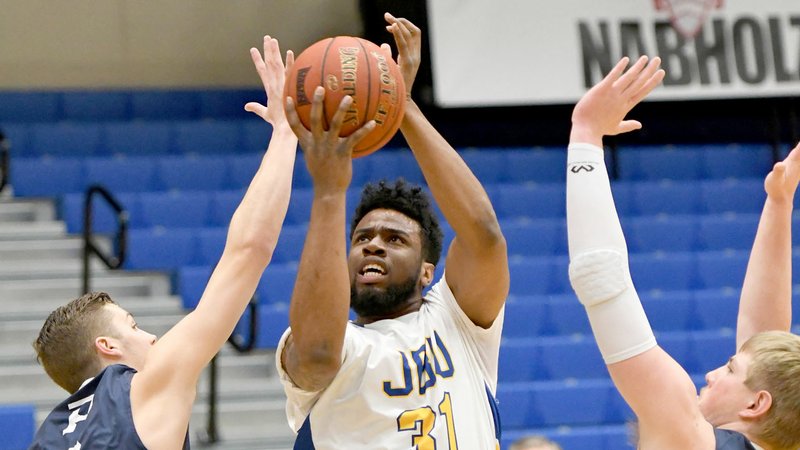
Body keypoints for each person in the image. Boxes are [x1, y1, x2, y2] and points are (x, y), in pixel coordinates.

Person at [29, 36, 298, 449]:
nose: (152, 337)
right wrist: (285, 133)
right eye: (133, 326)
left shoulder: (48, 436)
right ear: (108, 347)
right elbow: (249, 252)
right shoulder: (140, 391)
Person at [278, 12, 509, 449]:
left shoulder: (454, 321)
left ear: (427, 272)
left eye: (394, 239)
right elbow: (315, 358)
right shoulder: (335, 342)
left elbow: (484, 236)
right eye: (362, 238)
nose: (373, 247)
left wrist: (400, 105)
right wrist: (330, 192)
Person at [566, 55, 800, 449]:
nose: (710, 374)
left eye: (730, 369)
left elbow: (601, 279)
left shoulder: (688, 435)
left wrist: (585, 136)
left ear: (757, 404)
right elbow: (763, 335)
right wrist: (779, 205)